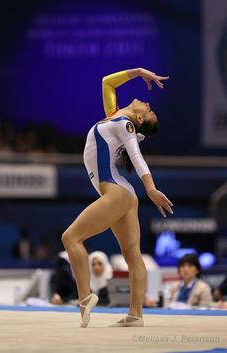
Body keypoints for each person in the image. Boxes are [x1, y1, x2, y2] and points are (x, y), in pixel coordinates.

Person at [62, 67, 173, 327]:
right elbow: (107, 83)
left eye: (150, 109)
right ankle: (135, 315)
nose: (146, 103)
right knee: (132, 254)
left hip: (117, 192)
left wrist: (151, 188)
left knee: (71, 237)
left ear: (141, 119)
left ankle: (85, 296)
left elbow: (137, 156)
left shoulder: (125, 125)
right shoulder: (113, 117)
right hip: (123, 194)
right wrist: (139, 72)